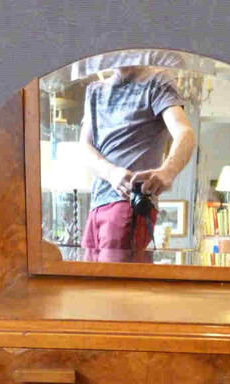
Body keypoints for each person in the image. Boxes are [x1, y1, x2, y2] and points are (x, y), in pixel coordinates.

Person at [79, 62, 195, 262]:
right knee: (89, 287)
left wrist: (167, 171)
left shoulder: (157, 81)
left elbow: (185, 133)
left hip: (128, 203)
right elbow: (84, 146)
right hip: (97, 204)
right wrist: (111, 173)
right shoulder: (95, 91)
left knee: (114, 287)